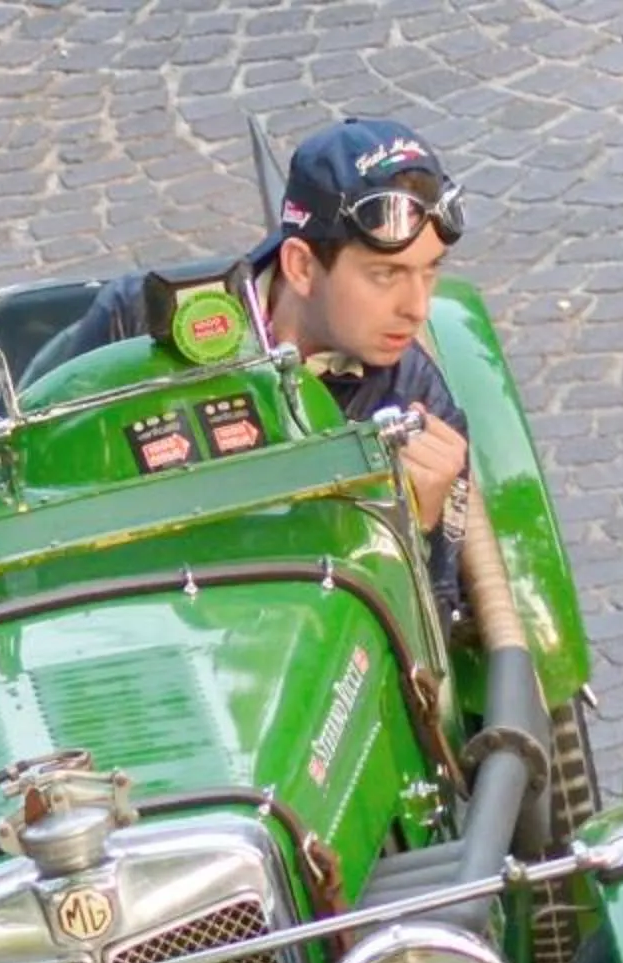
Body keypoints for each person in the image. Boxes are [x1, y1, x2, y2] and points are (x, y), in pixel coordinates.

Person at [32, 117, 473, 601]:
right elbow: (33, 481)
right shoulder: (132, 321)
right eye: (385, 275)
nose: (417, 308)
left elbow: (438, 622)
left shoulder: (417, 402)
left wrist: (415, 526)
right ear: (301, 267)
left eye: (429, 271)